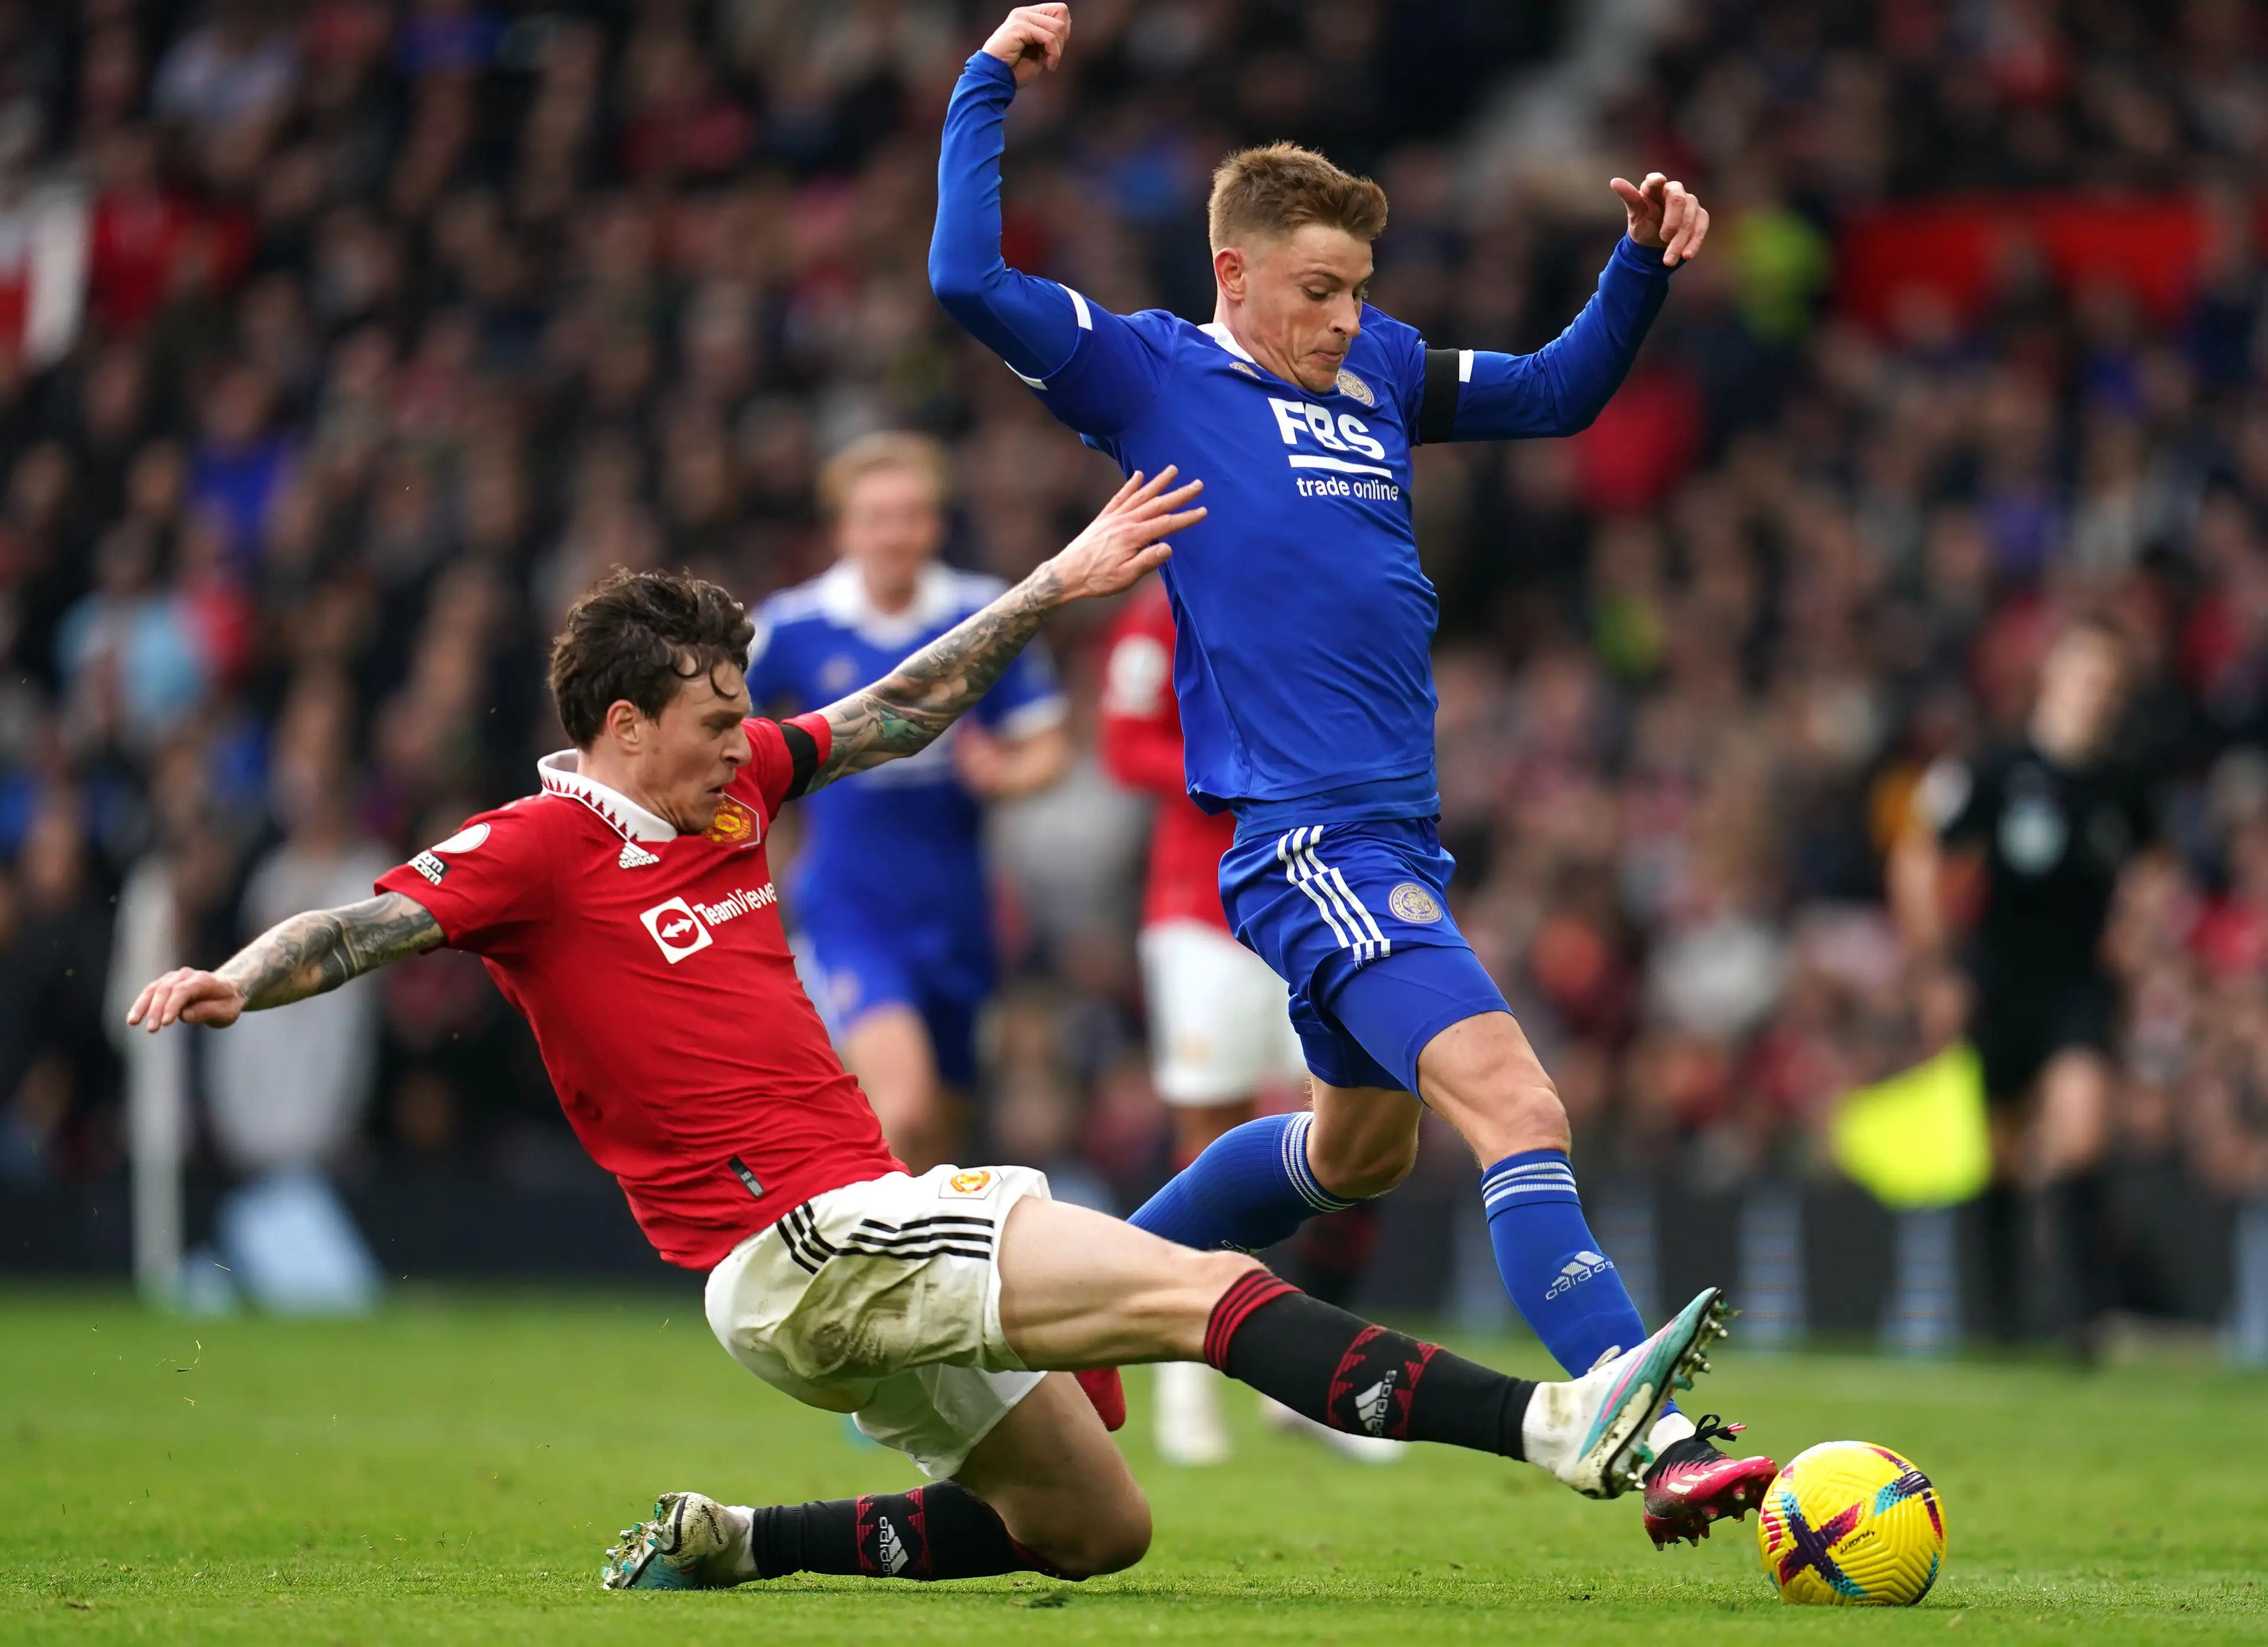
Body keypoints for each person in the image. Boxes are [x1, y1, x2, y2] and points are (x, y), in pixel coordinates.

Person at [124, 471, 1735, 1591]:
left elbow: (899, 710)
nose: (732, 749)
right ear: (616, 729)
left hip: (830, 1252)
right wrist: (231, 979)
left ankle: (738, 1538)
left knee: (1097, 1530)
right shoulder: (537, 846)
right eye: (700, 725)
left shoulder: (740, 776)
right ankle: (1560, 1422)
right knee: (1199, 1293)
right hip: (799, 1237)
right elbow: (364, 921)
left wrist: (1051, 581)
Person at [931, 5, 1771, 1548]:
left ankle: (1027, 1319)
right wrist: (990, 81)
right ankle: (1636, 1421)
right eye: (1316, 290)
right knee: (1514, 1098)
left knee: (1348, 1150)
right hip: (1308, 833)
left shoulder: (1379, 365)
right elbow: (965, 279)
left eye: (1359, 290)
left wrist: (1640, 266)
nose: (1343, 317)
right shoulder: (1152, 374)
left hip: (1395, 829)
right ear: (1234, 274)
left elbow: (1557, 392)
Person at [1102, 581, 1391, 1467]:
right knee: (1212, 1134)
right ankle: (1185, 1378)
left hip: (1322, 904)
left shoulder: (1325, 592)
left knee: (1365, 1129)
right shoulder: (1167, 608)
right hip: (1205, 916)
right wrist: (1236, 776)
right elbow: (1123, 743)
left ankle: (1323, 1390)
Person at [748, 433, 1070, 1172]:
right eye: (876, 517)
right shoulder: (794, 627)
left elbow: (1049, 746)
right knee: (903, 1106)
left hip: (960, 908)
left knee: (943, 1131)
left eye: (911, 515)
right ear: (844, 529)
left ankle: (919, 1280)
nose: (895, 534)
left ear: (935, 524)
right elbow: (728, 741)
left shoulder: (982, 611)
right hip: (851, 903)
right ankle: (864, 1271)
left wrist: (1005, 773)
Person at [1892, 617, 2151, 1348]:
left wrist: (2139, 932)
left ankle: (2080, 1316)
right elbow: (1919, 855)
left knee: (2081, 1134)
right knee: (2001, 1152)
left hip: (2080, 985)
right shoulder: (1997, 769)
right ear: (2054, 679)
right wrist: (1936, 965)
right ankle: (2000, 1320)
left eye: (2109, 683)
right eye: (2086, 677)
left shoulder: (2123, 782)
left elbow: (2153, 870)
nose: (2096, 695)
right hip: (1999, 983)